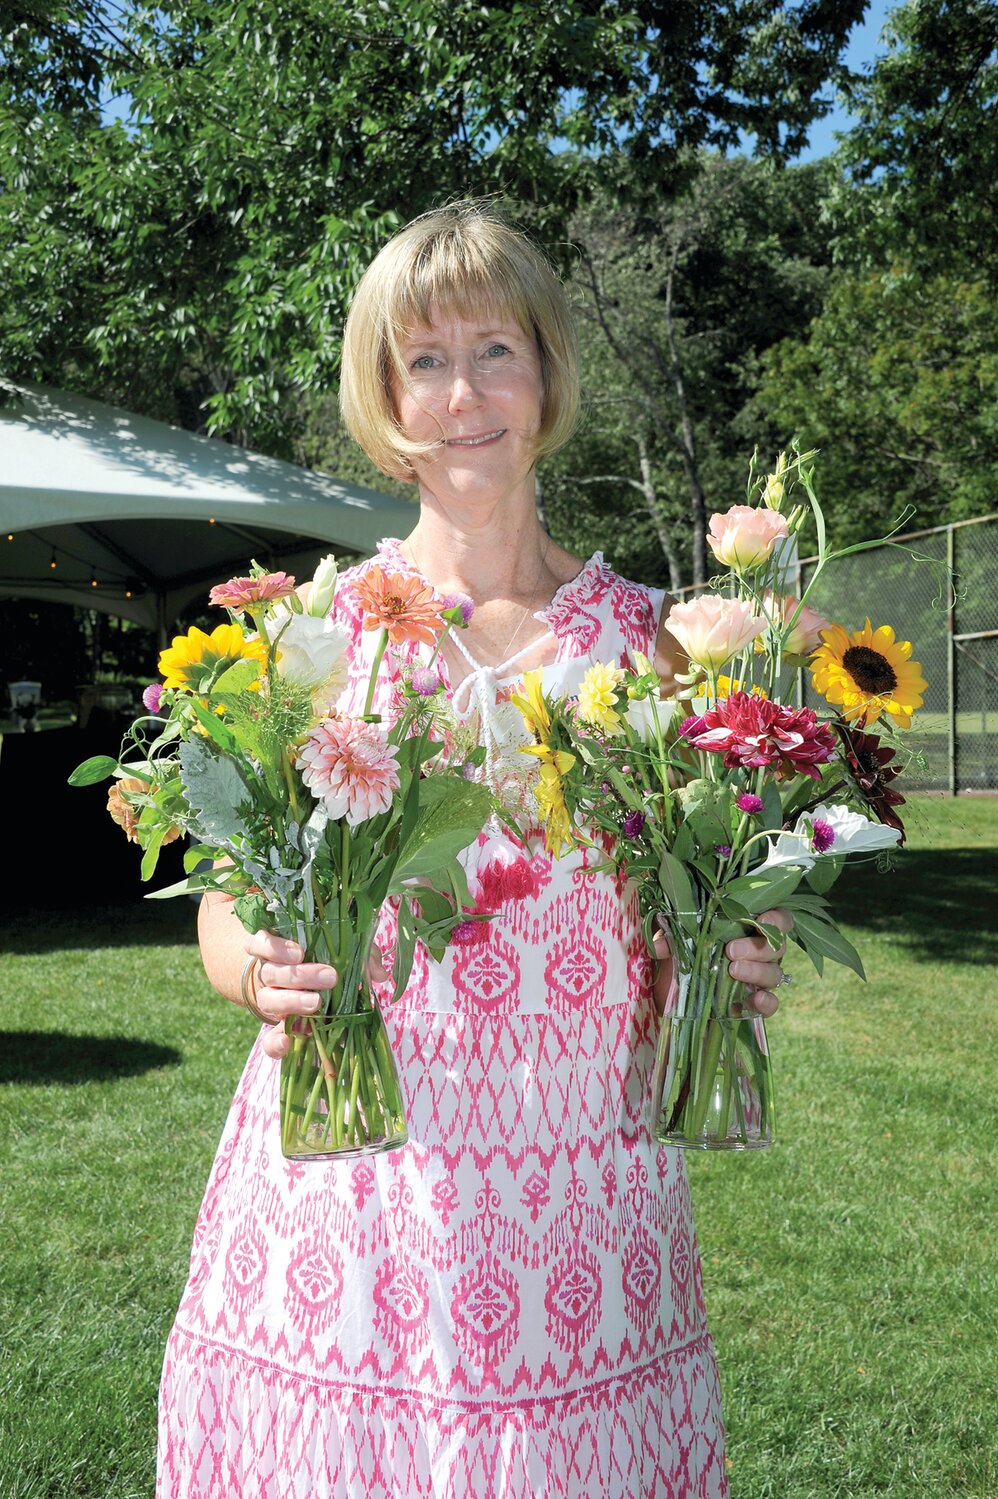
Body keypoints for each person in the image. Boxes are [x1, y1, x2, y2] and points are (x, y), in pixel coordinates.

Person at [156, 201, 791, 1499]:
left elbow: (706, 890)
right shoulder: (321, 633)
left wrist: (741, 940)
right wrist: (249, 969)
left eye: (493, 350)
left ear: (547, 371)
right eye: (423, 361)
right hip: (359, 1196)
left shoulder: (658, 644)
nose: (463, 396)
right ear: (383, 395)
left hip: (581, 1207)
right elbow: (228, 894)